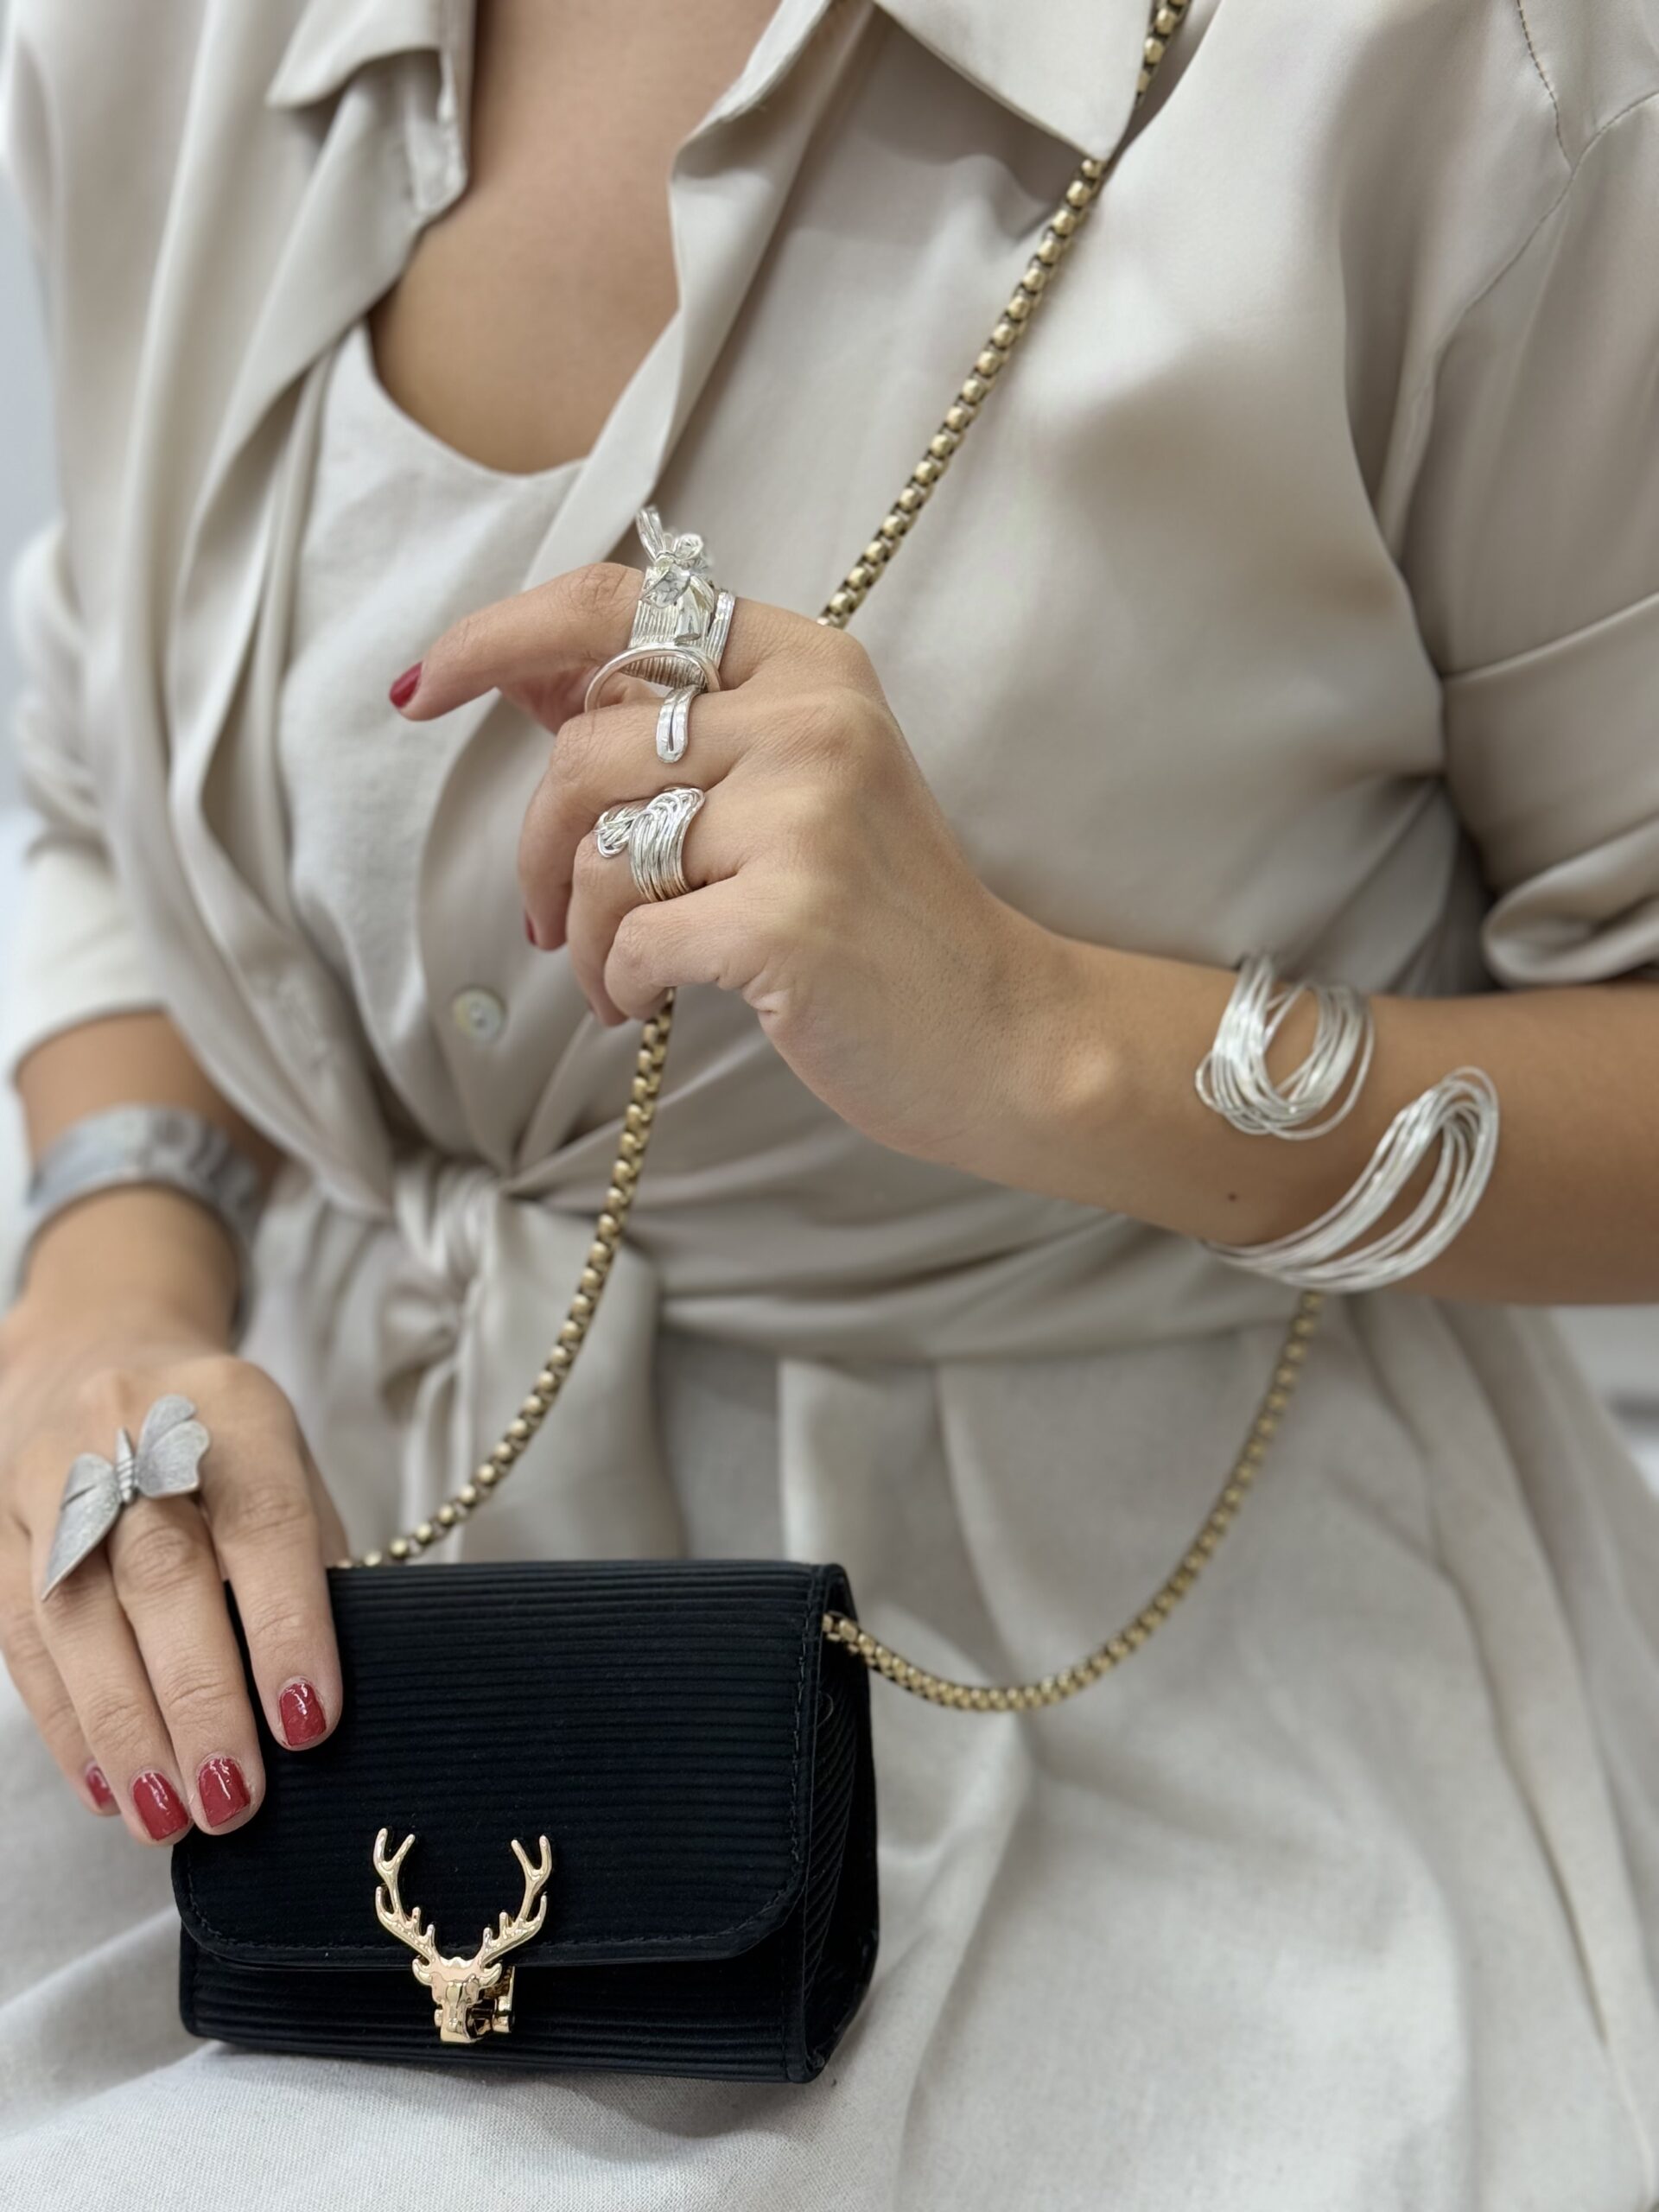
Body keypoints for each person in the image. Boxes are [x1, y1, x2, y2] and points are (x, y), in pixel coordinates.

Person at [2, 0, 1657, 2203]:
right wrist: (107, 1293)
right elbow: (94, 774)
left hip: (1137, 1698)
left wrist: (1050, 1034)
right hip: (286, 1653)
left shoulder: (1458, 63)